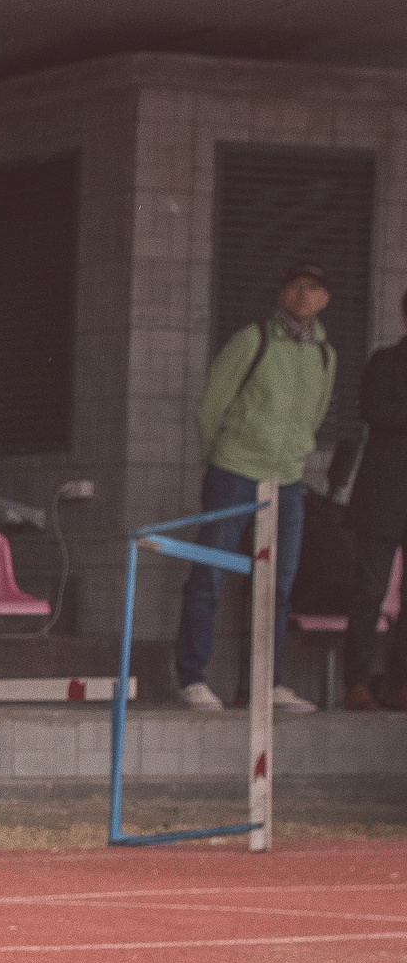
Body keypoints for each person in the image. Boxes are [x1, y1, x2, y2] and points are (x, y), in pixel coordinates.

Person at [179, 261, 335, 714]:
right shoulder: (254, 338)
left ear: (326, 299)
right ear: (283, 292)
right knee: (209, 574)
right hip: (234, 470)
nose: (305, 295)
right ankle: (192, 676)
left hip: (286, 479)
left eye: (315, 288)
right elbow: (210, 406)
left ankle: (264, 684)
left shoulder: (326, 353)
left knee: (278, 585)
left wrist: (294, 455)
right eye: (297, 286)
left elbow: (317, 413)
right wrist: (219, 460)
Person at [346, 288, 407, 710]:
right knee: (370, 589)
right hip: (383, 494)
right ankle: (358, 683)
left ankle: (400, 684)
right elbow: (374, 409)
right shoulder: (385, 361)